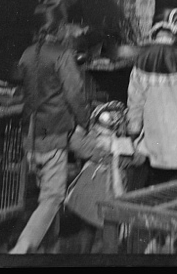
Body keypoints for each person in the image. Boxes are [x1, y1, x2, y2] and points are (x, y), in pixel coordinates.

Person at [9, 2, 91, 254]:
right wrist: (85, 122)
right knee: (53, 197)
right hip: (54, 133)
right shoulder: (62, 55)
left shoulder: (26, 53)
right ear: (60, 28)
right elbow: (75, 93)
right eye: (65, 26)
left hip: (31, 136)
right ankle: (22, 248)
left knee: (43, 193)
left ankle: (47, 246)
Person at [126, 8, 177, 186]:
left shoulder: (141, 61)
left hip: (155, 151)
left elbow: (134, 106)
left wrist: (134, 136)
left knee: (158, 199)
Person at [66, 101, 147, 252]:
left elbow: (75, 144)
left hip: (90, 191)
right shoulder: (124, 150)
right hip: (110, 192)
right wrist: (122, 145)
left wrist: (81, 129)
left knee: (88, 226)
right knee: (110, 228)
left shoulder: (93, 143)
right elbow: (139, 158)